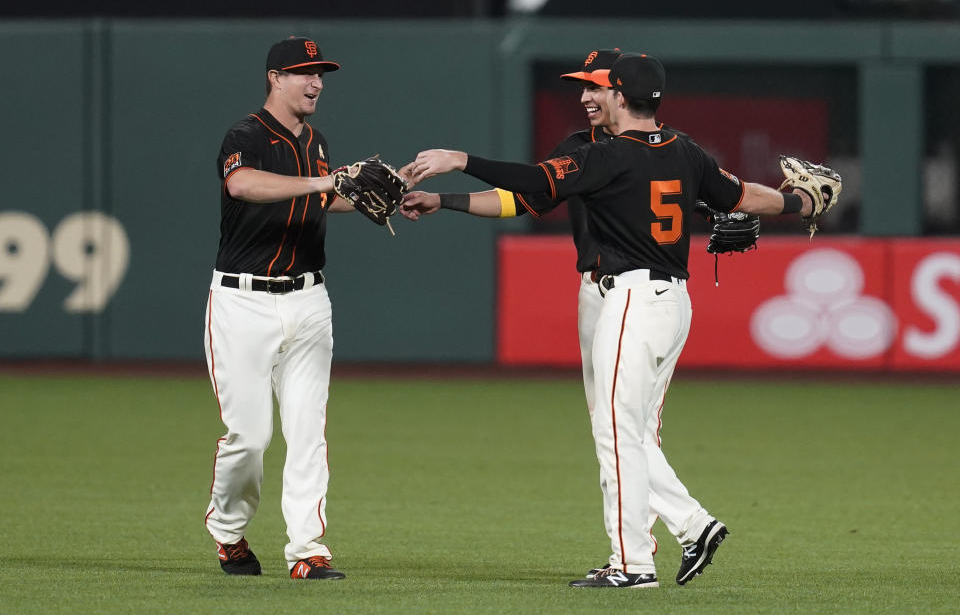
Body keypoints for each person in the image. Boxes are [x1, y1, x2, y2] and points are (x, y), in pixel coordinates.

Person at [407, 54, 822, 588]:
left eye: (597, 86)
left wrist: (458, 156)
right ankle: (668, 536)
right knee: (631, 430)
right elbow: (741, 196)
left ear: (619, 96)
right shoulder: (686, 151)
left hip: (629, 298)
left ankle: (642, 558)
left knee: (617, 431)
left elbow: (531, 180)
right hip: (672, 302)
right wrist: (800, 203)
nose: (586, 96)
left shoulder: (605, 157)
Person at [203, 36, 369, 581]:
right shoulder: (245, 135)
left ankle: (307, 550)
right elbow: (243, 184)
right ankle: (228, 532)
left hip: (309, 298)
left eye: (321, 73)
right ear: (274, 77)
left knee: (307, 430)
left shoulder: (315, 140)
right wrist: (328, 179)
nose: (316, 82)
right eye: (304, 72)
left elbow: (322, 196)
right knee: (249, 436)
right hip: (242, 302)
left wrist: (376, 199)